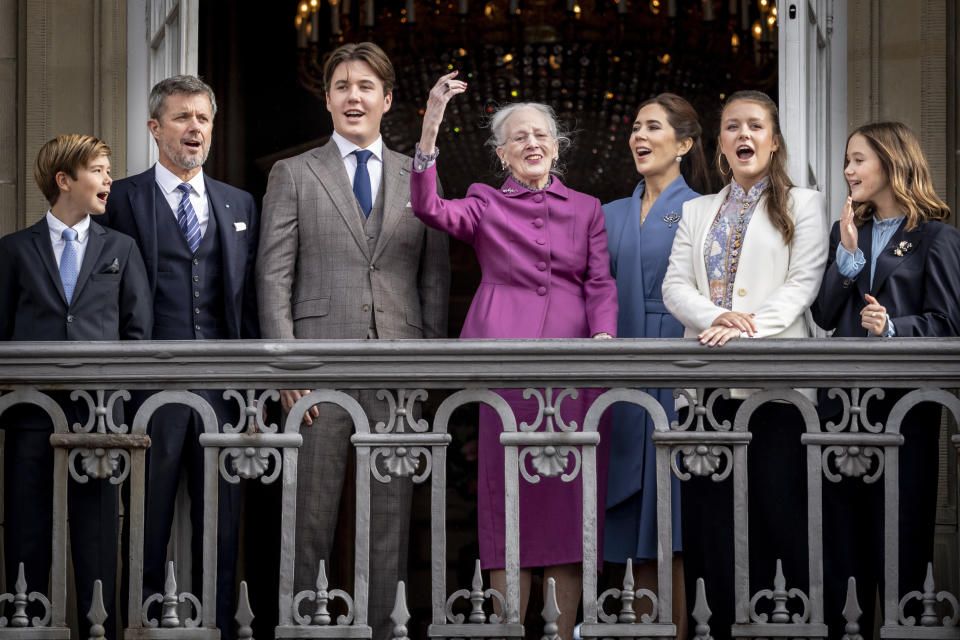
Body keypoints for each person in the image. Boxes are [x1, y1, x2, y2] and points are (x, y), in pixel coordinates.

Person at [409, 71, 618, 640]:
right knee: (510, 510)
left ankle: (561, 634)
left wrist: (603, 336)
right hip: (505, 368)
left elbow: (600, 282)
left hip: (576, 371)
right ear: (501, 153)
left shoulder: (587, 208)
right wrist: (430, 126)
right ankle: (506, 631)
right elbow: (429, 208)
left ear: (557, 146)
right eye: (519, 137)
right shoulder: (483, 203)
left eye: (541, 136)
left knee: (572, 508)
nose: (532, 144)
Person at [256, 42, 450, 640]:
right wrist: (289, 369)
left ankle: (381, 629)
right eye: (342, 86)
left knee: (389, 515)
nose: (353, 96)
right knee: (309, 511)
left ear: (387, 100)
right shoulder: (293, 173)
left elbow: (435, 278)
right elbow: (273, 274)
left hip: (397, 366)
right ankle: (301, 626)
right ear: (328, 99)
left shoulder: (416, 176)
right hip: (317, 367)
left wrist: (426, 370)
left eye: (365, 86)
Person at [661, 90, 827, 640]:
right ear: (721, 144)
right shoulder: (695, 209)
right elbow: (675, 286)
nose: (744, 136)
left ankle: (787, 629)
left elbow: (802, 285)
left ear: (774, 140)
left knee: (779, 520)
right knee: (712, 526)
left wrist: (746, 327)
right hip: (705, 391)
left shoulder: (805, 203)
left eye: (755, 126)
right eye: (733, 127)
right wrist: (720, 319)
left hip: (776, 390)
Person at [100, 75, 259, 640]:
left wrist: (257, 387)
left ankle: (214, 628)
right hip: (148, 387)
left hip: (222, 388)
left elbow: (252, 301)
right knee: (144, 521)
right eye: (182, 117)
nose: (195, 128)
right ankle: (135, 629)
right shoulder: (118, 199)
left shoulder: (239, 203)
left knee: (221, 526)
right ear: (154, 128)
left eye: (204, 119)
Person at [811, 121, 960, 640]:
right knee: (840, 547)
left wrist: (895, 327)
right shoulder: (843, 233)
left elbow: (948, 324)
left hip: (904, 415)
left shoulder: (937, 237)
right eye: (846, 161)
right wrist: (848, 257)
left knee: (901, 540)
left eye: (857, 160)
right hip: (839, 411)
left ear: (892, 164)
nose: (848, 171)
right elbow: (826, 314)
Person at [0, 134, 151, 640]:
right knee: (27, 536)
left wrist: (119, 406)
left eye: (108, 170)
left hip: (98, 419)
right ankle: (28, 631)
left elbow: (137, 334)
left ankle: (99, 634)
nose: (109, 179)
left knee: (98, 539)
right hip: (30, 418)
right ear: (65, 180)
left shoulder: (121, 249)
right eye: (99, 170)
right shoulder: (14, 251)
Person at [602, 93, 709, 634]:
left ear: (684, 145)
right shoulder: (608, 213)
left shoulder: (704, 210)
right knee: (627, 518)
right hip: (618, 363)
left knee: (672, 514)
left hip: (677, 365)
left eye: (653, 127)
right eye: (635, 127)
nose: (638, 136)